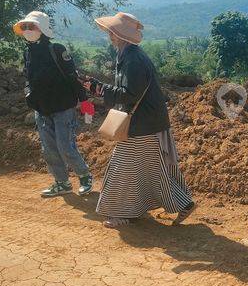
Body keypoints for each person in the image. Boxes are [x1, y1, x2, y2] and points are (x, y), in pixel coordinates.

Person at [81, 12, 195, 228]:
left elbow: (129, 94)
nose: (109, 36)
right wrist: (98, 86)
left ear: (120, 35)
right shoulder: (131, 56)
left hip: (143, 125)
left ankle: (123, 213)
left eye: (112, 33)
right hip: (147, 123)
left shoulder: (133, 60)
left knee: (121, 168)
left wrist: (98, 88)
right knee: (154, 170)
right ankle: (182, 203)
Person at [14, 11, 93, 197]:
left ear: (42, 29)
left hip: (63, 106)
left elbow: (73, 77)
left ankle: (84, 176)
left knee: (65, 146)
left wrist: (85, 104)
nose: (27, 30)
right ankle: (62, 183)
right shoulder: (27, 52)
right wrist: (28, 93)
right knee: (49, 148)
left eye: (31, 26)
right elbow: (28, 78)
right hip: (41, 108)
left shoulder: (56, 50)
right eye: (24, 27)